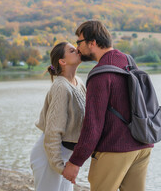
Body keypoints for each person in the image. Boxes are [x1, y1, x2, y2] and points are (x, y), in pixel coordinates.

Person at [62, 20, 154, 191]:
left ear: (93, 43)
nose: (78, 48)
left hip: (115, 149)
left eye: (79, 42)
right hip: (143, 146)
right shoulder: (128, 61)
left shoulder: (100, 74)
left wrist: (75, 162)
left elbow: (93, 125)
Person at [30, 42, 86, 191]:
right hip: (50, 155)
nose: (78, 50)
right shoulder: (61, 86)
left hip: (65, 155)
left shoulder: (78, 82)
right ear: (62, 61)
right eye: (73, 50)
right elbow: (53, 132)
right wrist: (60, 167)